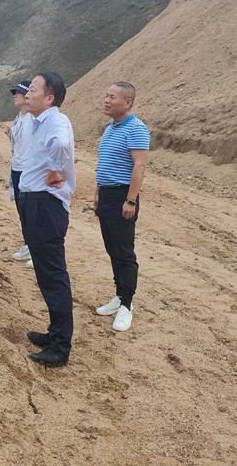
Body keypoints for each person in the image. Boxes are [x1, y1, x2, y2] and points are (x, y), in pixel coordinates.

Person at [18, 72, 76, 367]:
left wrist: (54, 170)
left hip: (45, 205)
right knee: (45, 273)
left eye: (32, 90)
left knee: (53, 275)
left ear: (49, 98)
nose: (27, 94)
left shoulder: (56, 121)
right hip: (36, 203)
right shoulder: (41, 121)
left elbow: (62, 144)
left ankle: (60, 347)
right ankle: (54, 333)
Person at [93, 82, 150, 331]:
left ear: (127, 102)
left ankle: (127, 304)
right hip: (106, 195)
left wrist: (131, 200)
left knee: (125, 252)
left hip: (122, 196)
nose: (106, 100)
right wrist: (98, 191)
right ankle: (119, 295)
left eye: (112, 97)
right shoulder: (110, 128)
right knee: (112, 248)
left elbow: (139, 166)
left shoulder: (136, 129)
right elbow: (105, 163)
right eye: (106, 96)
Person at [6, 79, 33, 266]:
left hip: (27, 170)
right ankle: (29, 244)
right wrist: (11, 134)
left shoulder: (33, 117)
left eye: (18, 93)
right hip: (16, 168)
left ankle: (36, 249)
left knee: (30, 210)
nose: (15, 96)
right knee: (22, 210)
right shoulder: (19, 117)